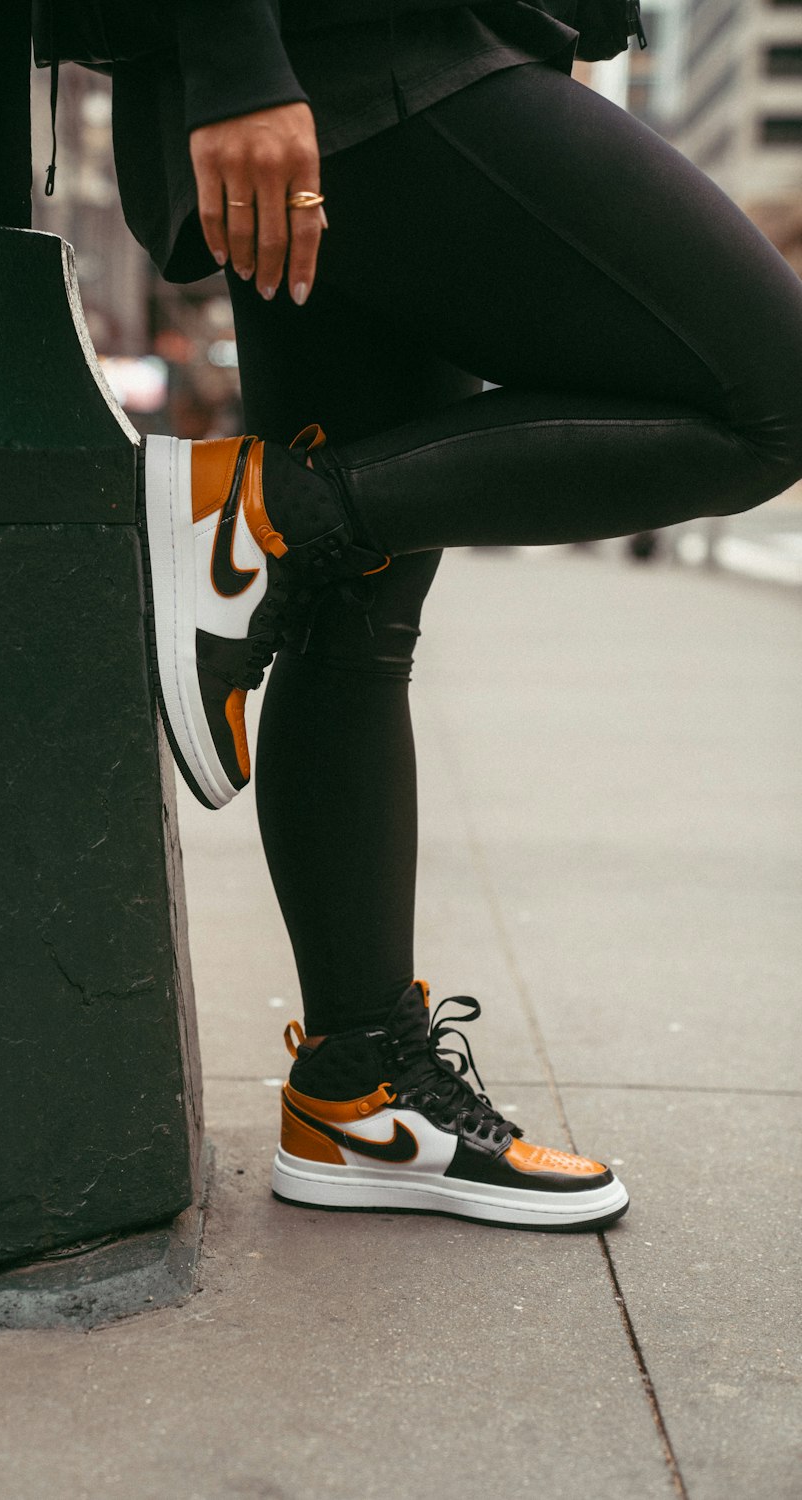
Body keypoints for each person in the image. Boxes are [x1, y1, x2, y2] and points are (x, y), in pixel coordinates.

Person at [111, 0, 802, 1232]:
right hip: (369, 58)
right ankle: (257, 515)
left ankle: (359, 1090)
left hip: (360, 67)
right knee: (771, 393)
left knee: (359, 610)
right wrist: (235, 63)